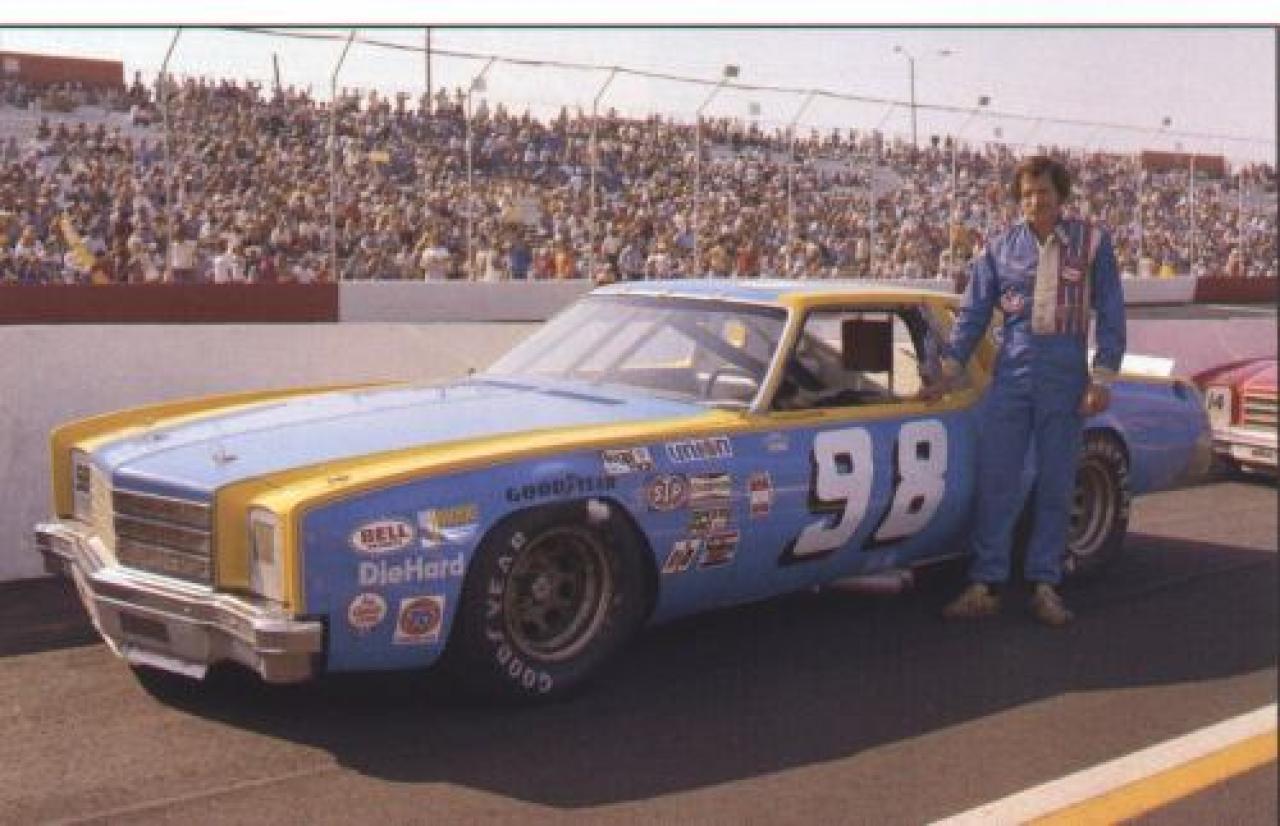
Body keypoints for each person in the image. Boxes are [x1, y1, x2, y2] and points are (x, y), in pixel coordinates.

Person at [932, 155, 1126, 627]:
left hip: (1065, 374)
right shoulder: (1000, 247)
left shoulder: (1092, 242)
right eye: (1026, 194)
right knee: (997, 478)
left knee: (1056, 481)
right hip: (1013, 371)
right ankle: (986, 583)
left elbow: (1111, 312)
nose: (1035, 201)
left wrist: (1102, 376)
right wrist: (949, 367)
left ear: (1061, 195)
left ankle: (1045, 584)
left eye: (1043, 192)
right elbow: (973, 313)